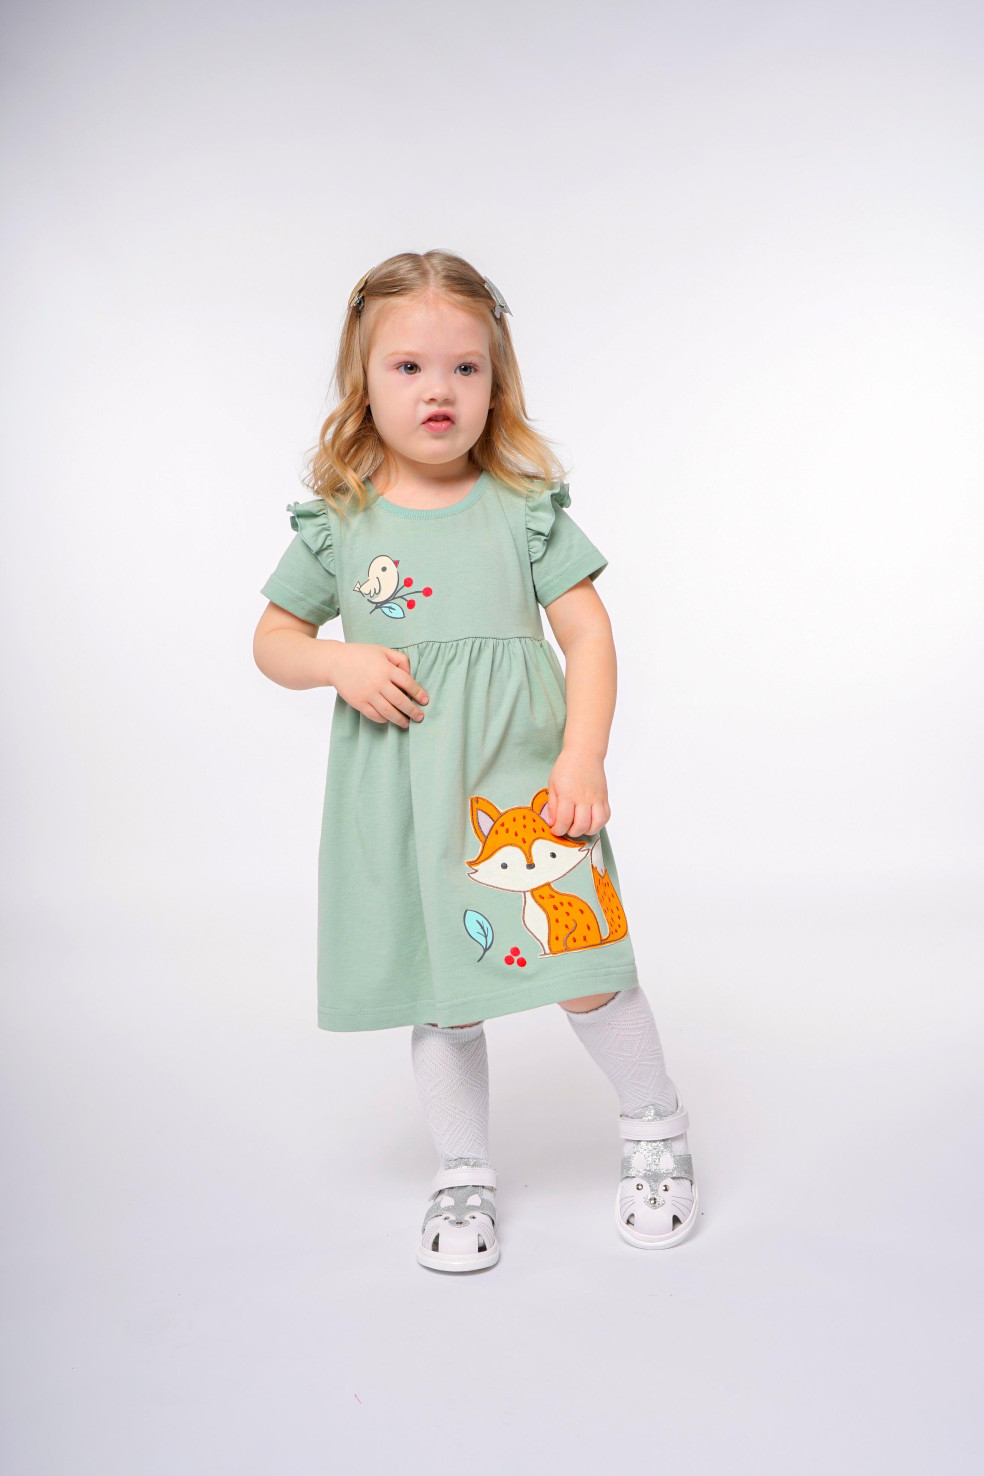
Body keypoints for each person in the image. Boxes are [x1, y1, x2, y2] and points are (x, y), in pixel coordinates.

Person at [253, 250, 698, 1273]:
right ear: (363, 381)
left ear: (497, 382)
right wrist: (336, 661)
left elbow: (589, 635)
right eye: (408, 367)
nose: (439, 389)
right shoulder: (340, 523)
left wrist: (582, 756)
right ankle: (462, 1170)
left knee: (588, 968)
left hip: (523, 789)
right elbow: (272, 641)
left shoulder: (520, 508)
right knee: (441, 993)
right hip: (406, 798)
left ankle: (656, 1126)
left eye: (465, 367)